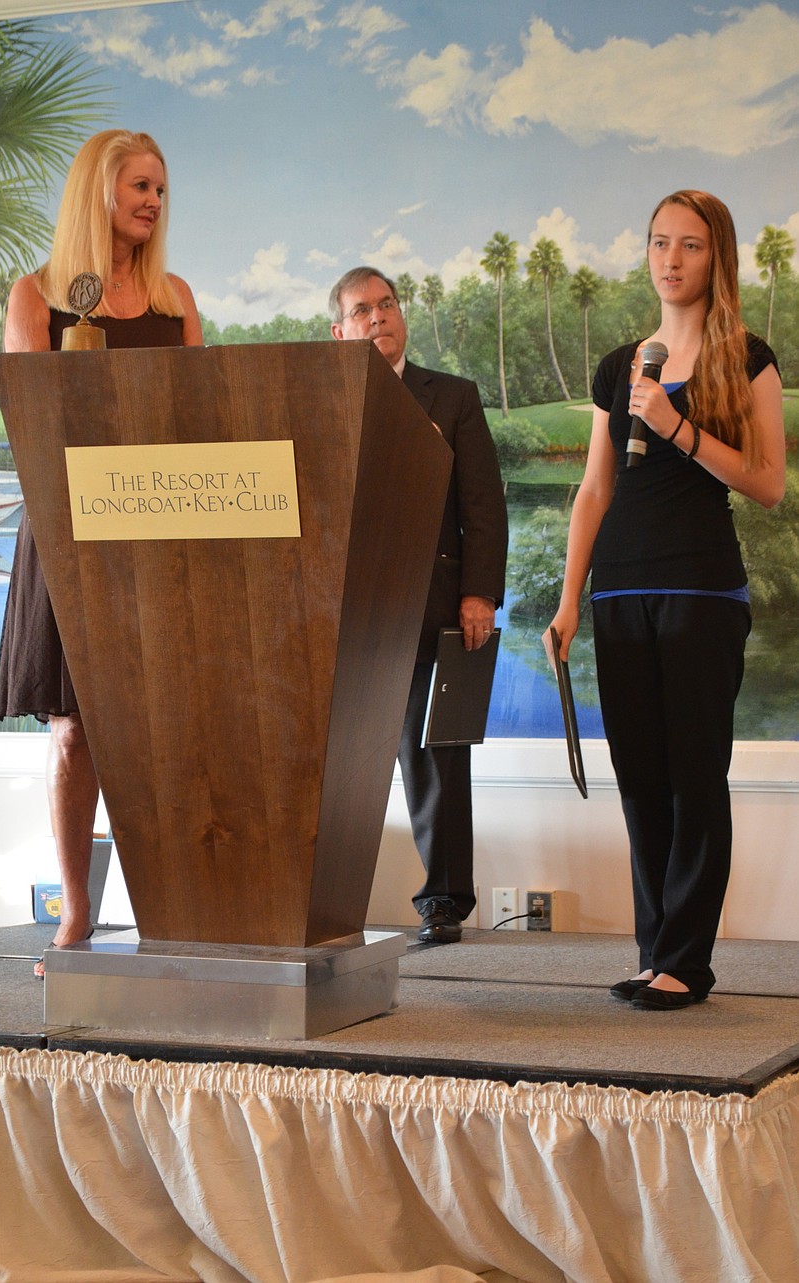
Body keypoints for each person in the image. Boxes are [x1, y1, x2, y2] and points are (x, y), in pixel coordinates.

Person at [543, 190, 785, 1008]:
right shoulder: (622, 366)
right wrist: (569, 599)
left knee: (693, 777)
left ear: (716, 256)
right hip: (619, 589)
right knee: (641, 776)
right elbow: (592, 491)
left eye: (688, 245)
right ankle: (656, 951)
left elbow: (768, 484)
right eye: (658, 243)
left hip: (700, 589)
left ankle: (688, 958)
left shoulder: (746, 357)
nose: (670, 260)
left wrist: (678, 427)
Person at [0, 130, 203, 976]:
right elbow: (33, 424)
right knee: (76, 729)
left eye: (161, 189)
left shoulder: (177, 296)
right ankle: (77, 914)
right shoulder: (38, 296)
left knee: (161, 730)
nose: (153, 202)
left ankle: (174, 915)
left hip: (161, 531)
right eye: (140, 187)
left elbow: (203, 415)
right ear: (98, 192)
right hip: (70, 531)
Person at [330, 267, 508, 944]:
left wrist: (478, 593)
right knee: (342, 763)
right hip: (351, 613)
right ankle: (327, 907)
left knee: (437, 757)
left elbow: (483, 506)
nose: (377, 318)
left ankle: (443, 903)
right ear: (339, 329)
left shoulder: (452, 398)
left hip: (435, 607)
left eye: (386, 304)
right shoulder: (326, 397)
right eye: (361, 310)